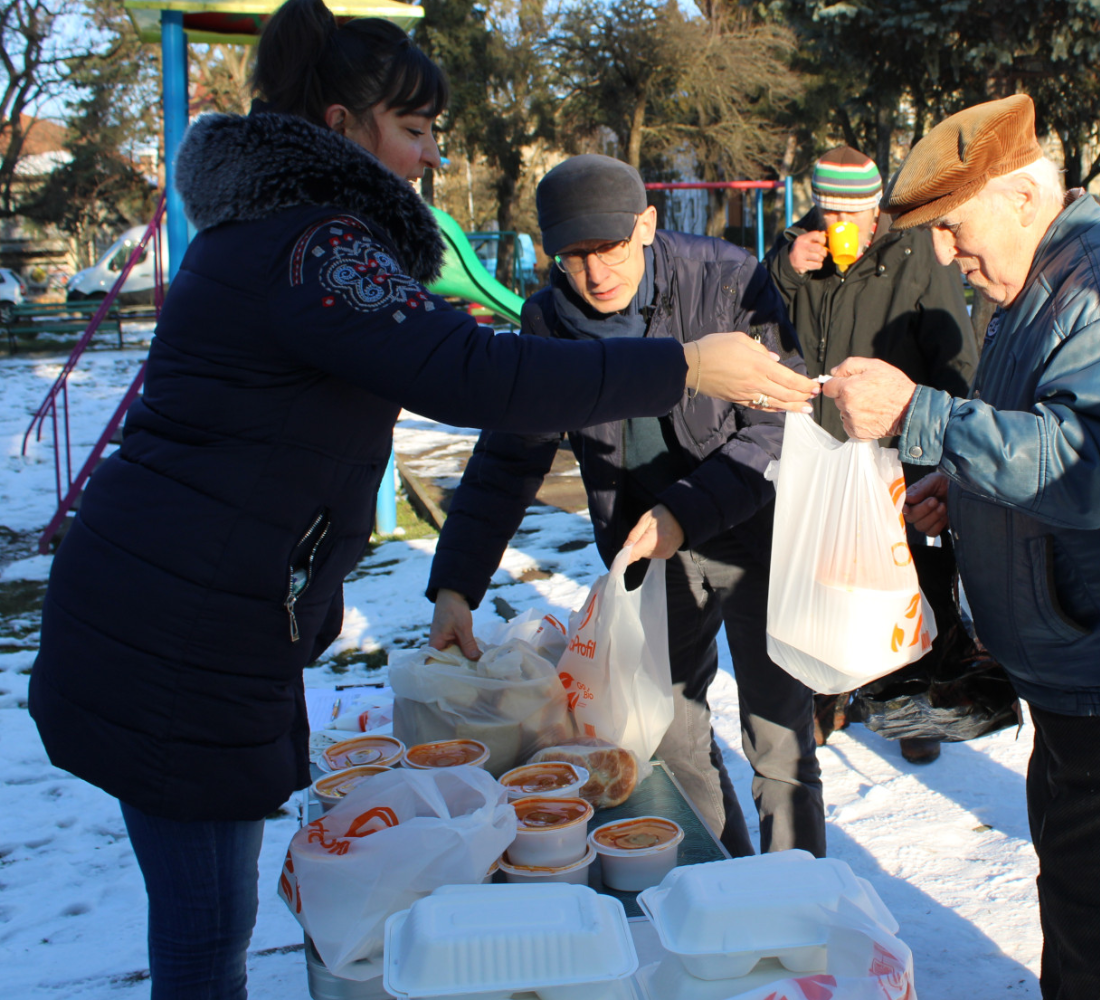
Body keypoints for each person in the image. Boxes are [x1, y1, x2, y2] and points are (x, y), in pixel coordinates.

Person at [24, 5, 818, 999]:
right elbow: (478, 377)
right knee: (204, 933)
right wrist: (687, 365)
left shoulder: (281, 235)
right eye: (415, 129)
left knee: (208, 925)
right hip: (181, 630)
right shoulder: (318, 246)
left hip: (187, 613)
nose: (432, 156)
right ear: (344, 125)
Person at [822, 96, 1100, 1000]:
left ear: (1020, 196)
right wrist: (965, 486)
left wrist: (920, 415)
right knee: (1077, 885)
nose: (944, 254)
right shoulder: (1041, 274)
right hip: (1075, 652)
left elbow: (1086, 468)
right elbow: (1037, 427)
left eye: (953, 226)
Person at [427, 154, 825, 860]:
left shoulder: (726, 278)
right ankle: (721, 879)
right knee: (671, 737)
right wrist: (457, 584)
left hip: (752, 531)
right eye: (573, 256)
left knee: (779, 738)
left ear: (645, 224)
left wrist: (685, 512)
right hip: (646, 555)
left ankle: (801, 893)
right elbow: (509, 456)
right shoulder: (547, 320)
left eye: (609, 247)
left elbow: (779, 423)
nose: (595, 273)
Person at [764, 145, 976, 764]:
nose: (840, 225)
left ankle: (910, 707)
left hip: (896, 451)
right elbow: (763, 328)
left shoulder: (914, 251)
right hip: (823, 450)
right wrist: (785, 272)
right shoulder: (800, 249)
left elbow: (954, 357)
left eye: (852, 212)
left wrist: (942, 449)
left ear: (876, 206)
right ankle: (827, 694)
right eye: (829, 212)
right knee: (826, 579)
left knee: (902, 581)